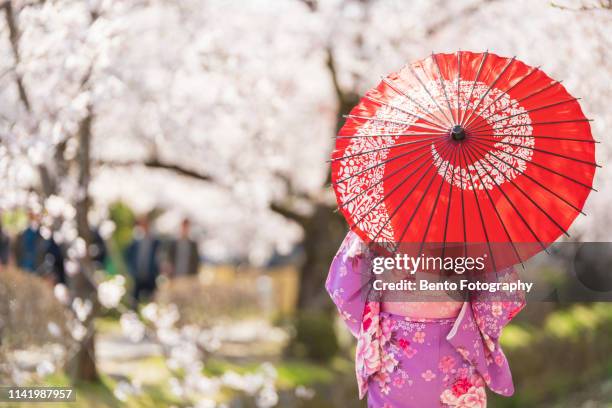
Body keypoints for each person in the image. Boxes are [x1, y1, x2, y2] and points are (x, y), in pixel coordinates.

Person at [326, 231, 525, 408]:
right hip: (457, 343)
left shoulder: (379, 218)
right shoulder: (470, 222)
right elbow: (502, 297)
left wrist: (368, 323)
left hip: (393, 349)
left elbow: (344, 287)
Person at [125, 217, 161, 304]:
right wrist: (131, 270)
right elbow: (128, 256)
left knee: (151, 303)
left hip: (150, 277)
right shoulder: (135, 241)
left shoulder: (155, 242)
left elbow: (159, 259)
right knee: (134, 303)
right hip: (137, 277)